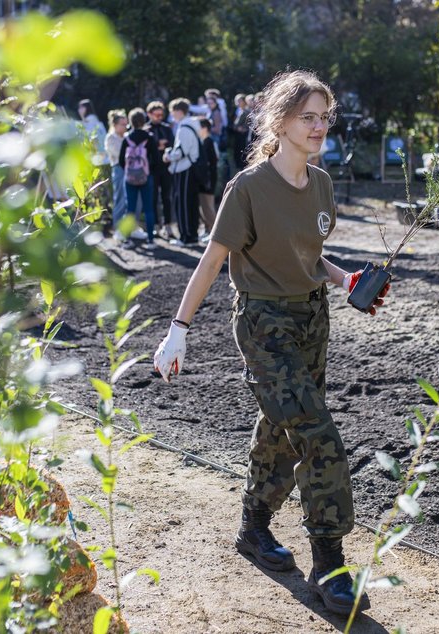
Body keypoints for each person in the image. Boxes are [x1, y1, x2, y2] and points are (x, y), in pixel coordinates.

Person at [152, 70, 389, 617]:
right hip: (263, 324)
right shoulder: (249, 188)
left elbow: (307, 255)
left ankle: (254, 527)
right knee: (317, 432)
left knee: (283, 429)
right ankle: (329, 562)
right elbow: (212, 261)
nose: (319, 126)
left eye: (325, 116)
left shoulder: (322, 182)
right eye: (308, 116)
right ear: (279, 122)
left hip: (312, 320)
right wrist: (177, 330)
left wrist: (345, 280)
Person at [118, 108, 160, 248]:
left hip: (129, 178)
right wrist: (149, 173)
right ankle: (150, 240)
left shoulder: (127, 138)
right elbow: (156, 159)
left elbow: (120, 160)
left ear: (130, 121)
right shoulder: (149, 138)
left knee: (129, 209)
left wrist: (129, 172)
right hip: (146, 177)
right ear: (143, 121)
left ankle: (126, 240)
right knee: (148, 209)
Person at [164, 99, 202, 246]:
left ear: (179, 111)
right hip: (190, 169)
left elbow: (181, 151)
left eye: (173, 111)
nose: (172, 114)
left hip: (185, 169)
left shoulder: (184, 127)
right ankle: (192, 235)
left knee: (184, 204)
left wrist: (168, 156)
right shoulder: (191, 124)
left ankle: (186, 237)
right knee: (191, 204)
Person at [146, 101, 176, 239]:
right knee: (152, 198)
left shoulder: (167, 128)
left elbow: (172, 144)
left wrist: (161, 146)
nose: (159, 117)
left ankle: (168, 225)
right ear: (149, 114)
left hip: (165, 168)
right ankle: (156, 226)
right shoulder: (146, 129)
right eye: (156, 114)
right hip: (151, 168)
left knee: (166, 197)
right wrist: (158, 145)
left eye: (161, 114)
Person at [105, 110, 129, 242]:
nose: (125, 127)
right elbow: (120, 155)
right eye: (123, 124)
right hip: (119, 169)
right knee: (119, 199)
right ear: (115, 125)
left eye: (126, 124)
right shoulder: (111, 138)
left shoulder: (126, 137)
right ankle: (117, 228)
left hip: (129, 170)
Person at [196, 118, 219, 239]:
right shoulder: (204, 141)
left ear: (204, 128)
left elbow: (212, 162)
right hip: (205, 180)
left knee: (208, 208)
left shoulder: (209, 141)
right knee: (203, 207)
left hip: (208, 180)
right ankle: (207, 230)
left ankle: (216, 235)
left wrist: (207, 180)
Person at [78, 98, 107, 165]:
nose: (79, 110)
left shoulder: (91, 118)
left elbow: (87, 133)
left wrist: (82, 117)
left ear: (87, 108)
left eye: (81, 107)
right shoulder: (91, 118)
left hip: (97, 148)